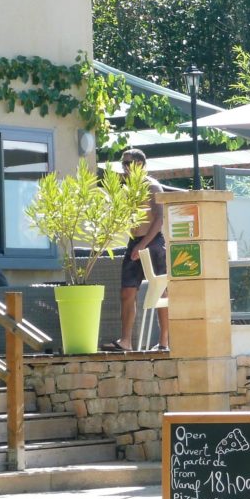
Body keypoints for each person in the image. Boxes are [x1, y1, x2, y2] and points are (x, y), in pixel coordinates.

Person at [101, 149, 168, 353]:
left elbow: (159, 219)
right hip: (134, 241)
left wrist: (143, 245)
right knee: (127, 291)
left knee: (161, 291)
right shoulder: (129, 189)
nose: (125, 168)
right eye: (123, 164)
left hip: (153, 242)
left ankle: (164, 341)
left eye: (129, 163)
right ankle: (126, 341)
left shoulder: (152, 186)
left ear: (140, 164)